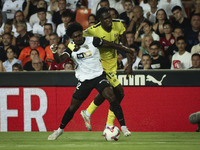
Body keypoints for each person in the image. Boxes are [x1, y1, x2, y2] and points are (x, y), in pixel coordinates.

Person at [47, 22, 133, 140]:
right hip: (84, 80)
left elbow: (111, 45)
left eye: (79, 35)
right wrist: (54, 51)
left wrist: (126, 49)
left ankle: (123, 127)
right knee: (72, 107)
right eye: (75, 37)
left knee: (111, 96)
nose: (78, 38)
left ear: (82, 34)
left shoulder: (93, 40)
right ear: (72, 38)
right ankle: (59, 130)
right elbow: (59, 59)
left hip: (98, 77)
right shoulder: (71, 46)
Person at [81, 7, 132, 135]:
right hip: (99, 66)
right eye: (106, 18)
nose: (109, 20)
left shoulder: (118, 25)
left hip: (112, 66)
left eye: (110, 16)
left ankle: (88, 112)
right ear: (100, 20)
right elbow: (77, 37)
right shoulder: (93, 30)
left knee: (110, 93)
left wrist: (130, 63)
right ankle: (109, 124)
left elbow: (125, 46)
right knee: (119, 91)